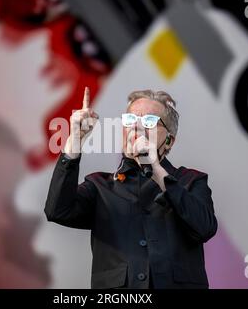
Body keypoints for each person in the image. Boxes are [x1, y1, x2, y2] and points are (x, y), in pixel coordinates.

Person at [44, 87, 218, 288]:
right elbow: (57, 210)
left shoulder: (190, 181)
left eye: (149, 122)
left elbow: (205, 228)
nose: (137, 127)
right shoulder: (100, 186)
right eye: (130, 120)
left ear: (169, 140)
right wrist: (75, 139)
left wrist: (155, 169)